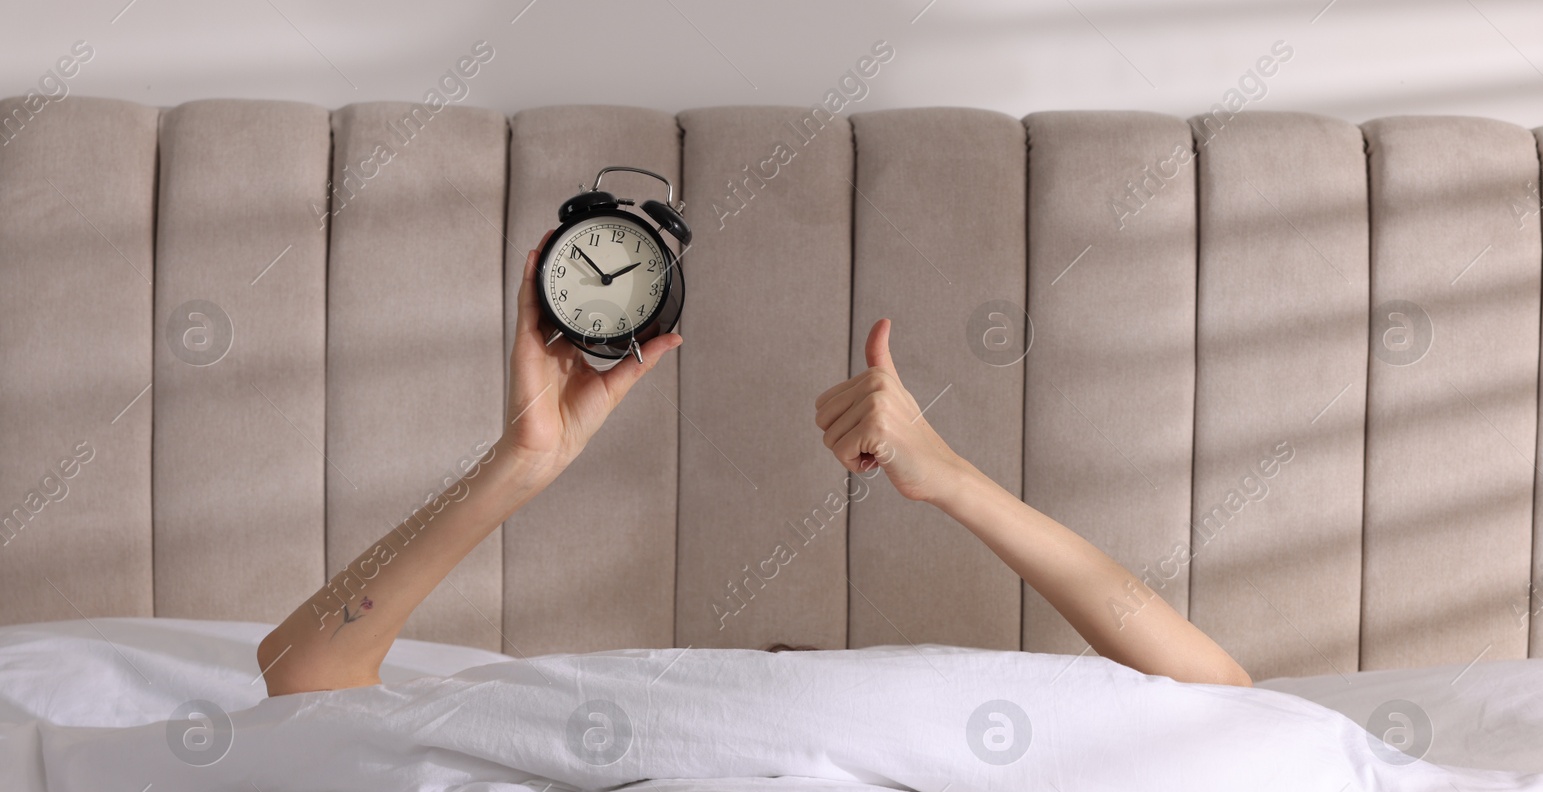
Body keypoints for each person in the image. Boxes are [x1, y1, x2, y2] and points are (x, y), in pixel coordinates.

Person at [256, 233, 1251, 696]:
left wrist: (950, 475)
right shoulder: (594, 742)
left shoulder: (955, 751)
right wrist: (521, 461)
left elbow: (1223, 696)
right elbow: (304, 670)